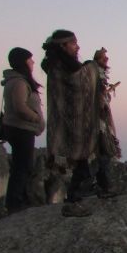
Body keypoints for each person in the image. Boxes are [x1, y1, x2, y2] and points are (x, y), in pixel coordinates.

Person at [41, 29, 98, 217]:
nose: (77, 47)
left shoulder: (56, 65)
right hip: (73, 125)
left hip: (68, 125)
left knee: (82, 167)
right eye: (73, 44)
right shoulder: (61, 67)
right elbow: (81, 82)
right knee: (82, 168)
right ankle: (73, 202)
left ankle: (75, 200)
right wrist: (93, 67)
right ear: (63, 46)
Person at [0, 47, 45, 213]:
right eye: (30, 59)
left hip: (17, 128)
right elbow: (20, 106)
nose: (33, 62)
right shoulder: (19, 82)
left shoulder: (16, 80)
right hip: (21, 129)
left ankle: (17, 200)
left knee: (22, 165)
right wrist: (36, 118)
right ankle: (15, 202)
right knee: (23, 166)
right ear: (23, 61)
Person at [86, 47, 122, 197]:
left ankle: (102, 185)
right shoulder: (93, 74)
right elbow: (96, 99)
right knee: (103, 153)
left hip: (101, 122)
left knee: (103, 154)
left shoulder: (97, 76)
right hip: (98, 123)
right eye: (103, 58)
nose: (106, 60)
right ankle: (102, 186)